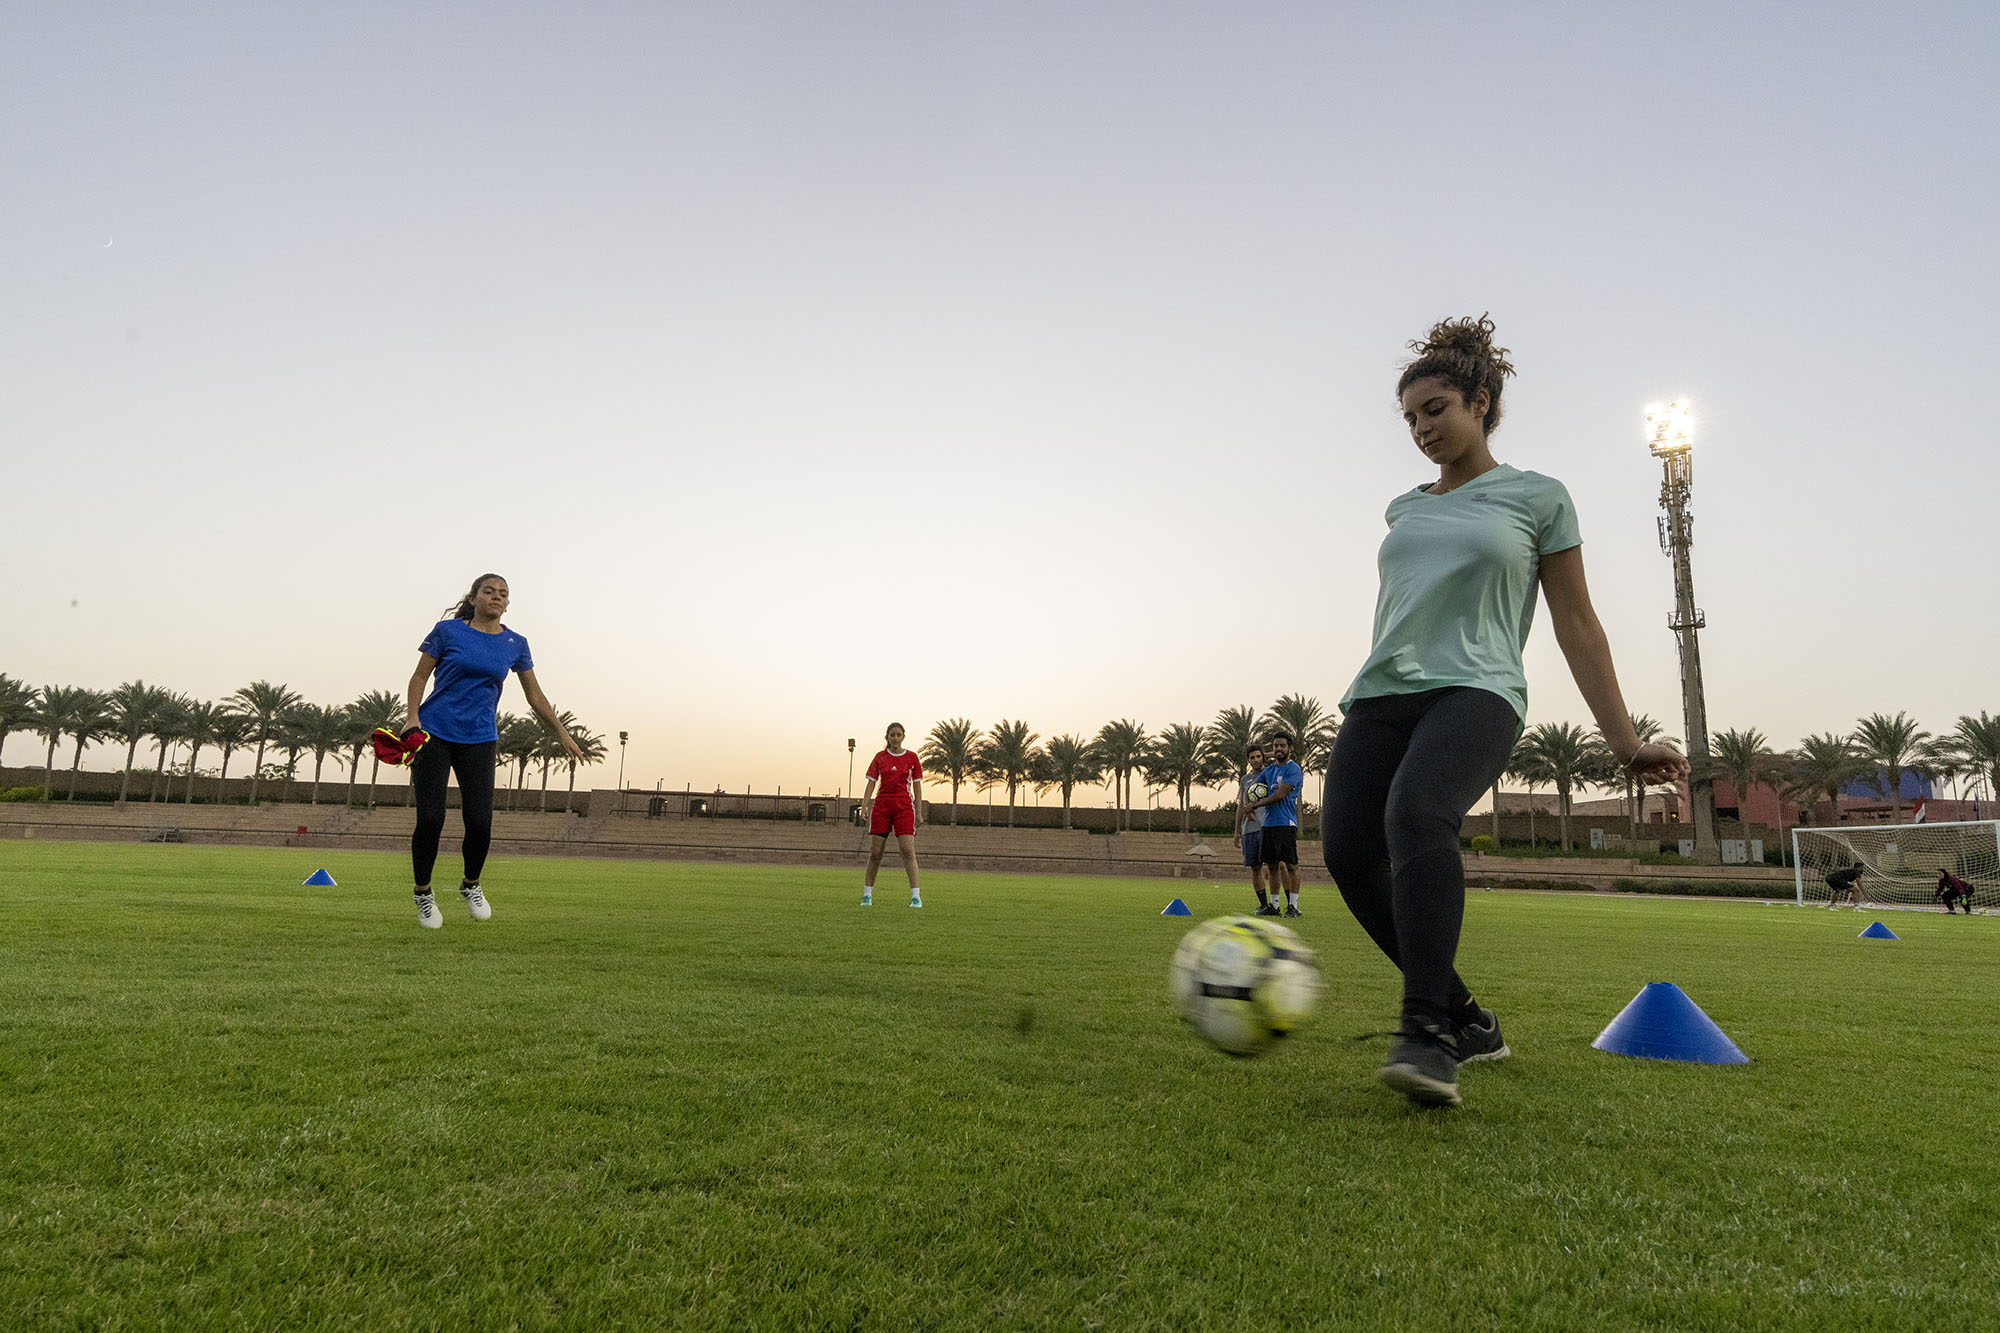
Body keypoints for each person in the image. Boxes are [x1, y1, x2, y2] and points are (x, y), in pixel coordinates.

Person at [1322, 315, 1690, 1108]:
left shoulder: (1537, 498)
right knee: (1349, 849)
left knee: (1418, 811)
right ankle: (1466, 1016)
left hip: (1478, 689)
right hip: (1383, 691)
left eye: (1438, 407)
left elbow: (1576, 622)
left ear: (1481, 402)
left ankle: (1424, 1032)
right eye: (1412, 416)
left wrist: (1624, 741)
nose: (1423, 427)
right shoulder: (1404, 508)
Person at [405, 573, 581, 929]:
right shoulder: (448, 632)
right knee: (431, 820)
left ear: (507, 602)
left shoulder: (515, 643)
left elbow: (535, 696)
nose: (496, 597)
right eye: (489, 591)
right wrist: (412, 717)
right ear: (474, 597)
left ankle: (471, 885)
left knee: (481, 822)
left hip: (480, 738)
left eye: (503, 594)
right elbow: (419, 677)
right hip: (434, 732)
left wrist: (561, 731)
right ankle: (423, 893)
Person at [859, 723, 924, 907]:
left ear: (903, 736)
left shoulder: (912, 758)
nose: (895, 738)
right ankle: (867, 895)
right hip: (882, 806)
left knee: (907, 850)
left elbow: (918, 787)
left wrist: (918, 812)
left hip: (903, 806)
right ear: (887, 737)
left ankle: (916, 897)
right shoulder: (880, 757)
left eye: (898, 734)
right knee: (876, 853)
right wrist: (864, 806)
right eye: (892, 735)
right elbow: (871, 783)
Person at [1241, 733, 1305, 917]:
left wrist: (1255, 805)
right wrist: (1247, 804)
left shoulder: (1293, 769)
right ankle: (1274, 906)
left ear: (1289, 748)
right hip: (1268, 824)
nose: (1278, 749)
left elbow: (1280, 795)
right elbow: (1251, 788)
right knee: (1272, 866)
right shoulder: (1268, 771)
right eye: (1276, 745)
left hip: (1285, 823)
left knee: (1291, 865)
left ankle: (1293, 906)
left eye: (1282, 746)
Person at [1233, 743, 1272, 914]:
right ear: (1248, 760)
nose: (1256, 760)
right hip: (1249, 829)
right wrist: (1236, 832)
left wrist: (1268, 755)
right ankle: (1263, 904)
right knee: (1255, 868)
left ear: (1262, 757)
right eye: (1252, 757)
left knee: (1274, 866)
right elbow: (1241, 806)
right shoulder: (1245, 780)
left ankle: (1277, 904)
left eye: (1258, 756)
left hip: (1269, 826)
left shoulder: (1271, 774)